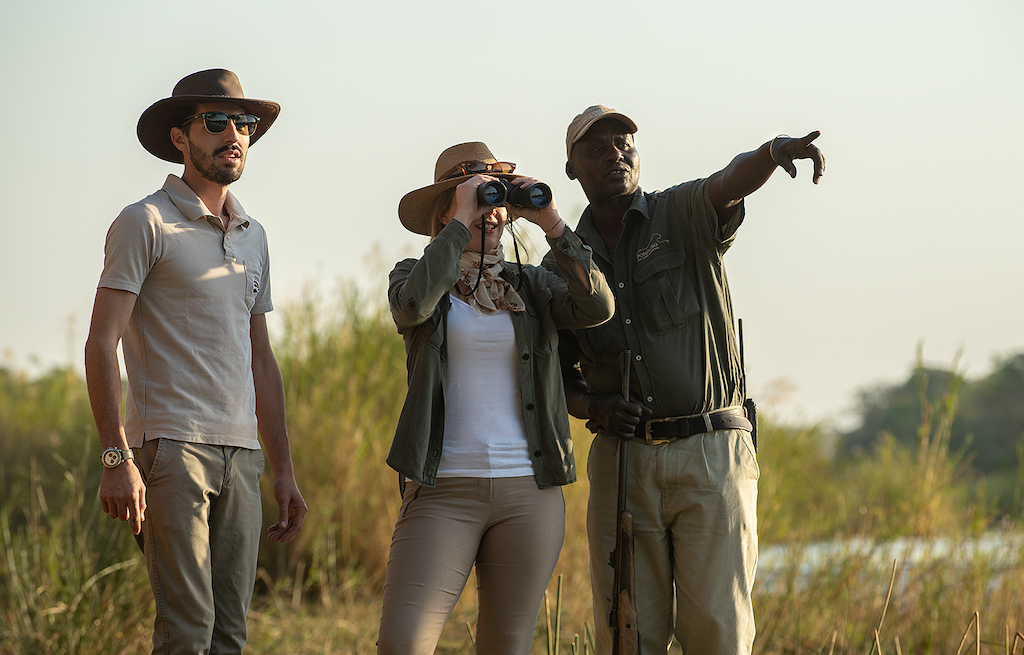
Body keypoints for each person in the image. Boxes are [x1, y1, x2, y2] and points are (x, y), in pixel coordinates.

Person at [546, 105, 825, 655]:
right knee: (628, 634)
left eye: (624, 143)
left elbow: (729, 181)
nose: (615, 154)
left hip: (710, 453)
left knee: (718, 632)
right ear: (572, 169)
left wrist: (773, 152)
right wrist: (597, 407)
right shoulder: (561, 265)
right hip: (624, 461)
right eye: (597, 148)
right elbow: (557, 376)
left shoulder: (679, 212)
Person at [84, 69, 307, 654]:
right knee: (188, 631)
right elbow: (101, 342)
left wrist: (282, 469)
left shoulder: (254, 234)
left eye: (244, 123)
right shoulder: (145, 221)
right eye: (216, 122)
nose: (234, 134)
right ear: (180, 137)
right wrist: (116, 457)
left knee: (230, 635)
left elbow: (262, 360)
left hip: (243, 454)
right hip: (171, 448)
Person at [378, 141, 615, 655]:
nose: (491, 210)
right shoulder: (413, 275)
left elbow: (597, 306)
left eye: (498, 199)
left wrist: (551, 221)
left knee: (506, 645)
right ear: (444, 214)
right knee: (402, 644)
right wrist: (463, 220)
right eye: (476, 195)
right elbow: (413, 307)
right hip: (443, 487)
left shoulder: (531, 285)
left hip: (529, 491)